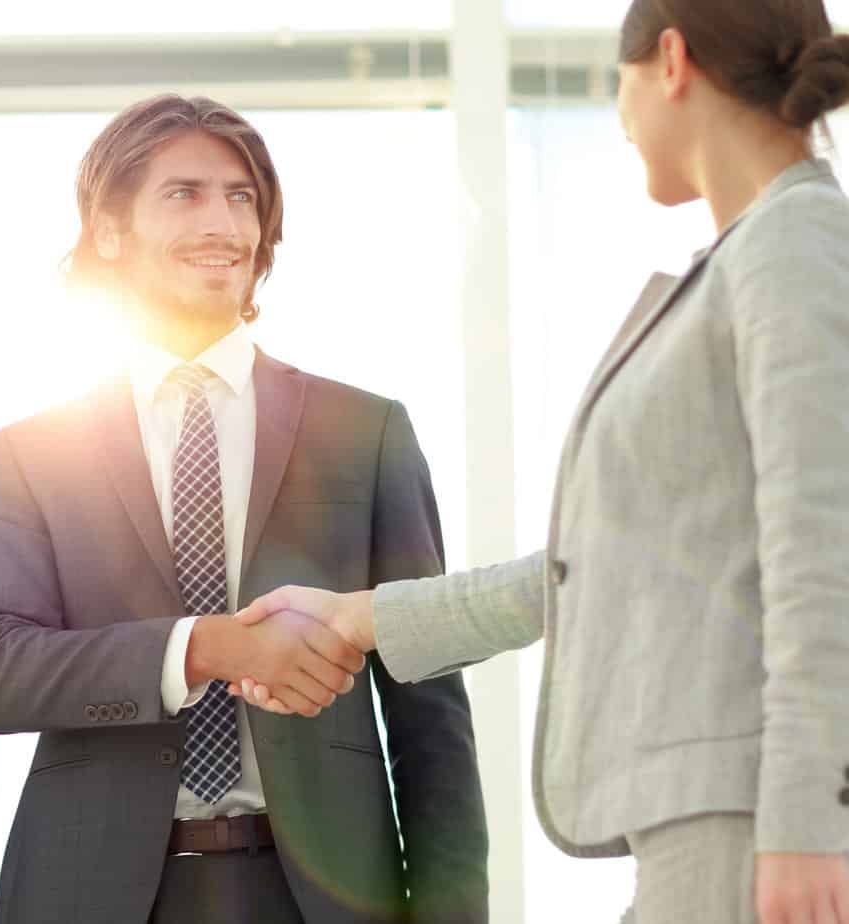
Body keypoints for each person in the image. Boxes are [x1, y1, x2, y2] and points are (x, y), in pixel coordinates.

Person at [233, 2, 849, 922]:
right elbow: (592, 571)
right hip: (704, 818)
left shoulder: (791, 247)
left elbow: (823, 554)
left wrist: (807, 822)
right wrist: (358, 618)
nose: (619, 112)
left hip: (752, 821)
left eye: (619, 79)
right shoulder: (746, 260)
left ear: (670, 60)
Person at [0, 94, 488, 924]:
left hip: (320, 893)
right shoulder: (31, 452)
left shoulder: (365, 429)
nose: (223, 223)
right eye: (185, 194)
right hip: (90, 893)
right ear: (108, 230)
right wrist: (198, 647)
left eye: (242, 198)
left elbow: (428, 702)